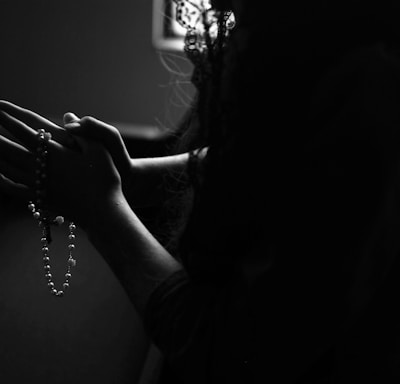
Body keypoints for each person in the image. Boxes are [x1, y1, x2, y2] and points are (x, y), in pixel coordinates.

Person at [1, 0, 400, 382]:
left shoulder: (375, 89)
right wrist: (135, 176)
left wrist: (101, 210)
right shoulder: (327, 39)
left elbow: (232, 356)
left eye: (236, 15)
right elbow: (282, 154)